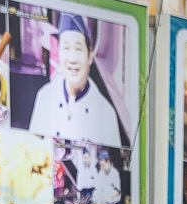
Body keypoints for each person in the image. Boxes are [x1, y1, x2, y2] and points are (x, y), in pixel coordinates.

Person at [27, 12, 124, 168]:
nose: (72, 59)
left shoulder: (106, 112)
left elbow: (111, 173)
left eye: (78, 49)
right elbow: (30, 152)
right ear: (58, 52)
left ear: (89, 55)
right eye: (66, 48)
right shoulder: (45, 96)